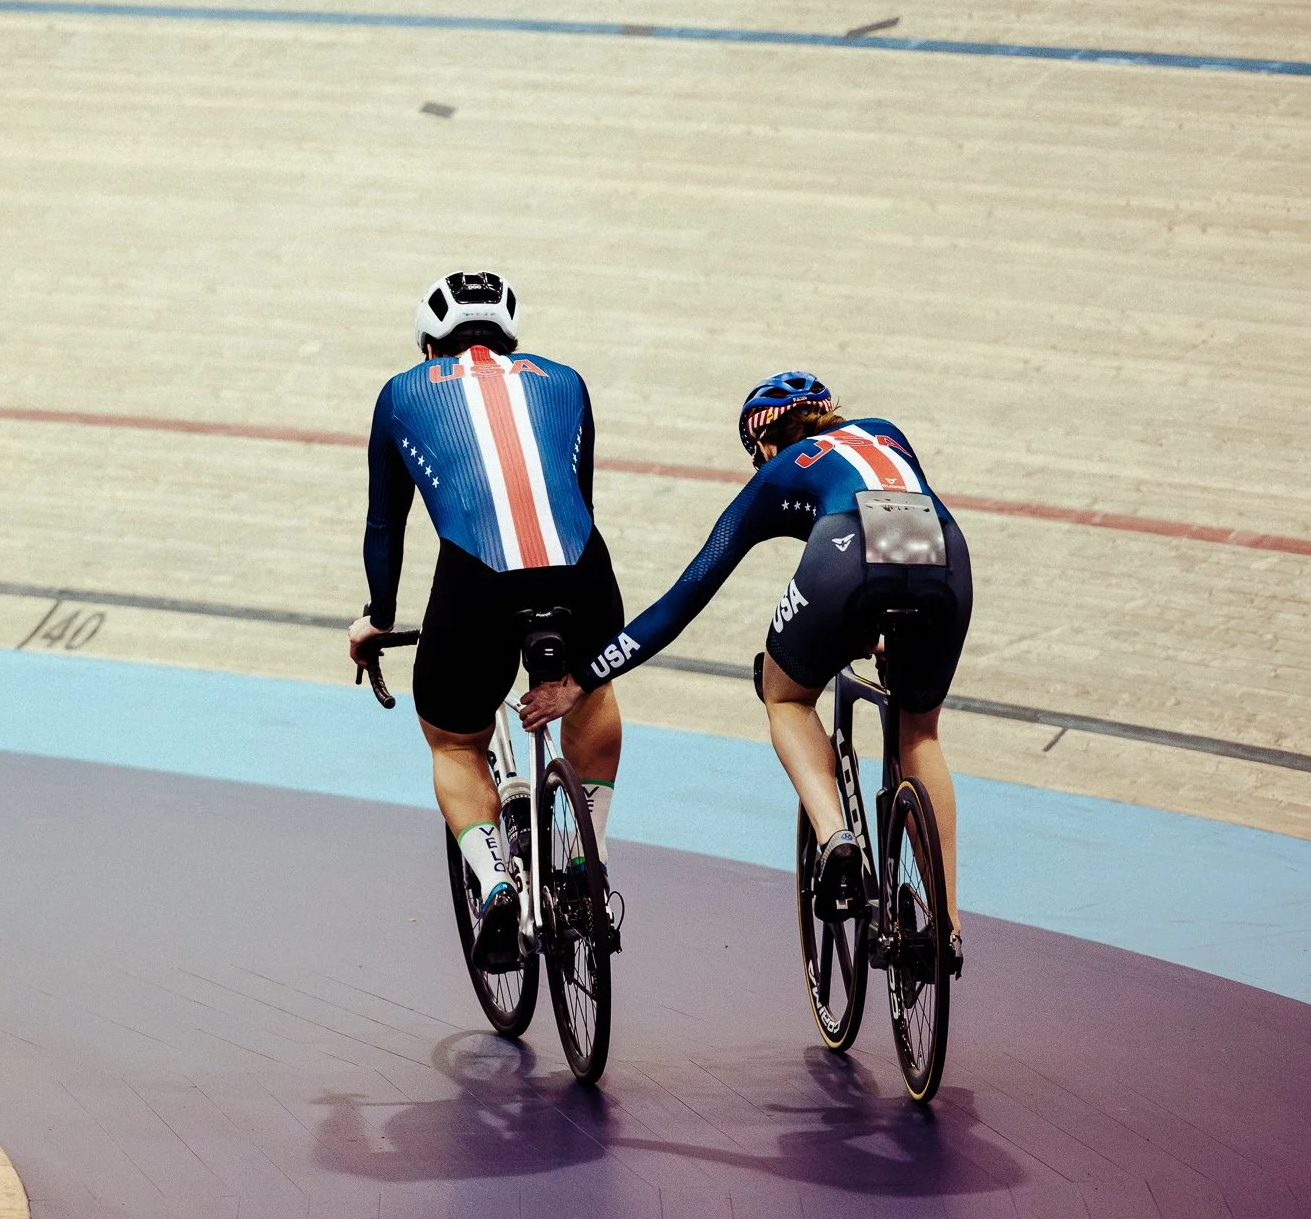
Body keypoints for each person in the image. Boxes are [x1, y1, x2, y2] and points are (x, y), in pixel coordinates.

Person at [573, 372, 972, 969]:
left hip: (843, 555)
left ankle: (836, 837)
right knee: (920, 731)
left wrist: (587, 675)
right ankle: (946, 926)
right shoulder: (888, 434)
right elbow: (897, 537)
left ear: (762, 446)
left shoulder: (771, 477)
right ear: (830, 411)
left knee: (784, 694)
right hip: (942, 552)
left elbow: (684, 598)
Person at [347, 272, 627, 971]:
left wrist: (377, 619)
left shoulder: (403, 391)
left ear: (429, 343)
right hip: (582, 572)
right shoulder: (567, 380)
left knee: (451, 738)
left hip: (476, 581)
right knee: (590, 688)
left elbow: (386, 525)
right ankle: (585, 863)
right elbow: (577, 495)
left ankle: (498, 879)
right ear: (511, 334)